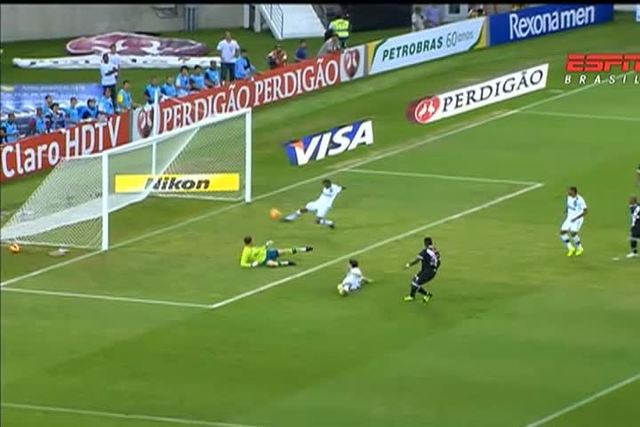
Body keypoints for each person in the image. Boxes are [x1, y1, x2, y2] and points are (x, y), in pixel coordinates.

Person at [403, 237, 441, 303]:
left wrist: (408, 265)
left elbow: (417, 260)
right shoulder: (436, 251)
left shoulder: (425, 251)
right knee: (414, 280)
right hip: (429, 271)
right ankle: (412, 296)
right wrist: (435, 269)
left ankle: (427, 294)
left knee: (415, 284)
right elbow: (439, 261)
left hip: (427, 272)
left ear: (426, 243)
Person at [239, 236, 313, 268]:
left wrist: (266, 244)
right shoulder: (245, 252)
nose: (253, 242)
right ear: (249, 242)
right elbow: (242, 263)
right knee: (272, 264)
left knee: (285, 251)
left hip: (268, 253)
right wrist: (251, 265)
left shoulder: (253, 247)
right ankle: (287, 263)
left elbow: (261, 249)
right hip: (264, 260)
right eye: (252, 241)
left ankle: (303, 249)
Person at [560, 186, 588, 257]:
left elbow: (585, 211)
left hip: (577, 219)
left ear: (574, 192)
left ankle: (580, 248)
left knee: (573, 233)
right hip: (569, 218)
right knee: (562, 232)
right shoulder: (569, 197)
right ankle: (570, 248)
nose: (568, 192)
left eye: (570, 191)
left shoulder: (580, 200)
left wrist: (575, 218)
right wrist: (566, 210)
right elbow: (569, 204)